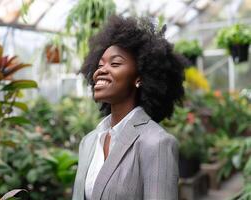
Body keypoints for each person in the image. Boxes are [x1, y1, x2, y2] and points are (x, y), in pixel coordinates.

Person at [72, 15, 185, 200]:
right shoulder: (89, 142)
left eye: (115, 63)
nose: (101, 70)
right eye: (99, 65)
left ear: (139, 77)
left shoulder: (156, 143)